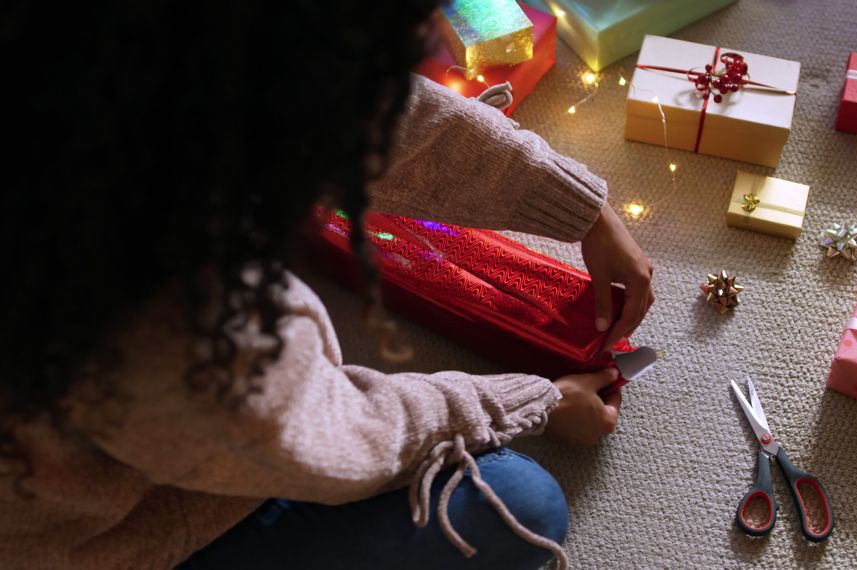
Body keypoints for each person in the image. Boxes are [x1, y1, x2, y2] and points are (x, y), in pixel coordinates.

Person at [0, 2, 654, 569]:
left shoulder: (101, 62)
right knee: (522, 504)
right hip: (76, 544)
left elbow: (341, 103)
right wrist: (540, 401)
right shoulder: (164, 315)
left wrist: (576, 205)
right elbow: (343, 441)